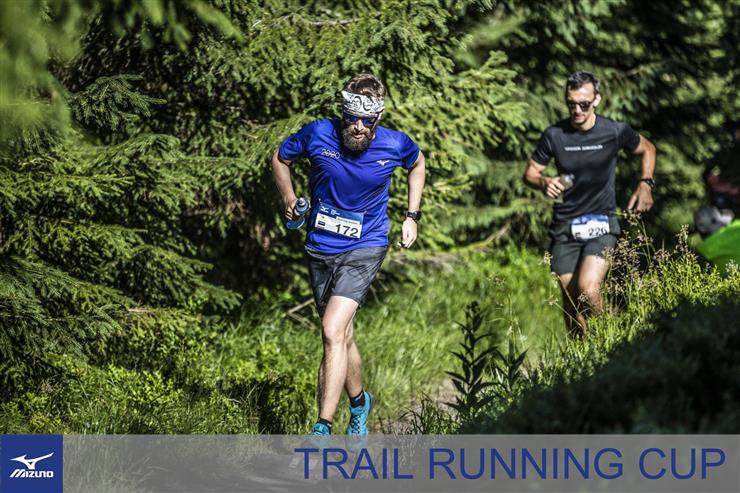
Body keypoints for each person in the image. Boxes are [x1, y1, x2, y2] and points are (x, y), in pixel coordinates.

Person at [271, 73, 425, 436]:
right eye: (351, 118)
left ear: (378, 118)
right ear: (343, 113)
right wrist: (289, 199)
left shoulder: (395, 144)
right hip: (320, 247)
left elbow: (417, 164)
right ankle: (359, 403)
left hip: (366, 245)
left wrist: (411, 216)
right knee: (342, 335)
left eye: (366, 121)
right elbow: (279, 158)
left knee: (330, 330)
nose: (357, 126)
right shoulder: (318, 134)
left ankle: (322, 429)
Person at [523, 71, 657, 337]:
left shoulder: (614, 131)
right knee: (570, 300)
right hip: (565, 224)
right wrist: (543, 182)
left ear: (597, 99)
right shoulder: (554, 135)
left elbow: (648, 149)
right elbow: (530, 173)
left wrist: (646, 183)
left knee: (588, 288)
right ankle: (582, 354)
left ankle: (613, 339)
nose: (577, 110)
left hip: (602, 221)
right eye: (571, 103)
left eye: (583, 104)